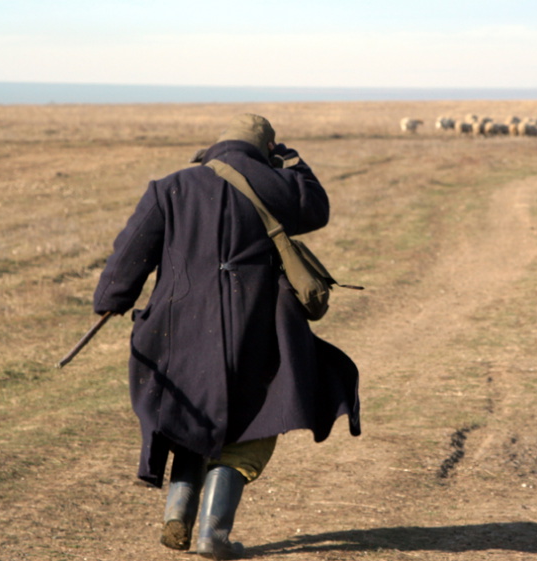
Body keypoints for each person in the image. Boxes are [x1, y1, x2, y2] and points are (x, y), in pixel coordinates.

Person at [93, 113, 361, 559]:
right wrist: (291, 161)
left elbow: (131, 253)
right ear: (266, 148)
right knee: (253, 426)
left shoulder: (170, 186)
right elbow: (318, 207)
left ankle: (177, 514)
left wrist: (110, 299)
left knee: (193, 418)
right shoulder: (278, 184)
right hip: (257, 327)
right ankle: (211, 537)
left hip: (179, 328)